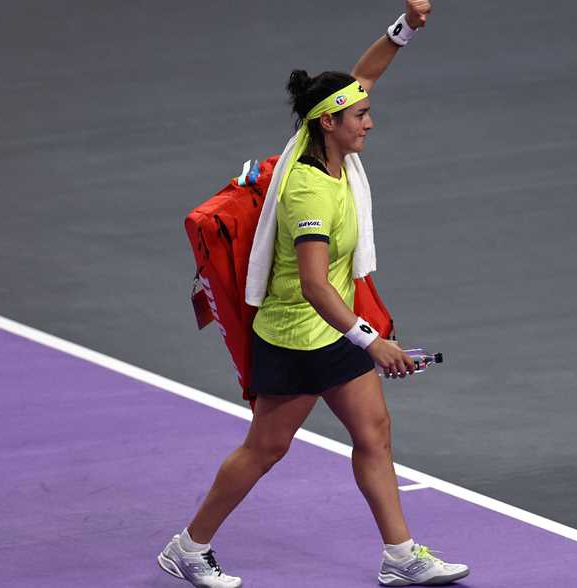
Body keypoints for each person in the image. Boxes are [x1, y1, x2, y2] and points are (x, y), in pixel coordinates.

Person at [159, 2, 469, 586]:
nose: (369, 122)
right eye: (360, 115)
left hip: (335, 331)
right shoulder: (309, 190)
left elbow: (365, 74)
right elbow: (313, 284)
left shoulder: (326, 145)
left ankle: (400, 556)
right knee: (265, 449)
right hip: (297, 337)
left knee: (373, 433)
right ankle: (189, 547)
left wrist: (405, 27)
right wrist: (373, 342)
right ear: (328, 123)